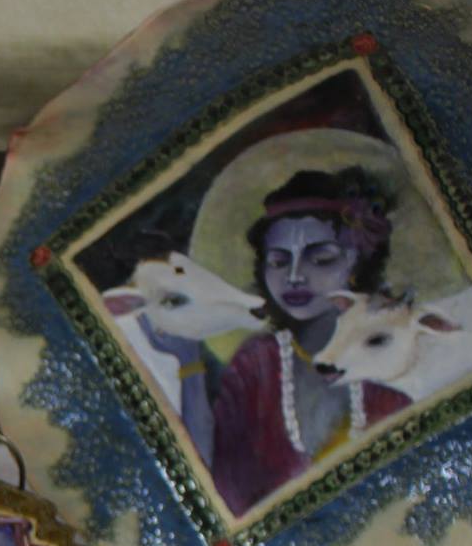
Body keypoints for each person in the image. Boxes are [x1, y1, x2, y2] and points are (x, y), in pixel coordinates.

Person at [148, 167, 413, 516]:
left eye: (321, 259)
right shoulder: (258, 363)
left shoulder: (392, 373)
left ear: (355, 261)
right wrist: (189, 366)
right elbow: (209, 479)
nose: (295, 276)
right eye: (278, 261)